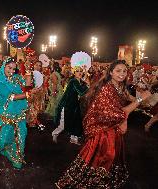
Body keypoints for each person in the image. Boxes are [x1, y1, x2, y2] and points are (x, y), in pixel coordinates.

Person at [55, 60, 151, 188]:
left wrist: (142, 98)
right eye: (118, 71)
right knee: (106, 156)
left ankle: (105, 179)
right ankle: (94, 181)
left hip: (114, 127)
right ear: (111, 73)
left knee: (114, 156)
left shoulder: (120, 86)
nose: (122, 74)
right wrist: (140, 99)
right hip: (103, 130)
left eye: (124, 71)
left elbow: (129, 99)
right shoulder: (107, 89)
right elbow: (121, 112)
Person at [52, 66, 89, 144]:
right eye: (77, 71)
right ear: (74, 73)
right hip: (67, 105)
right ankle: (55, 133)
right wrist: (87, 85)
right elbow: (82, 92)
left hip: (74, 105)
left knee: (76, 122)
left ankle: (73, 139)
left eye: (81, 71)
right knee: (64, 123)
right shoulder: (73, 81)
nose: (79, 72)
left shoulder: (79, 81)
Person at [26, 61, 45, 128]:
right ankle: (31, 122)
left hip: (38, 93)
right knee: (31, 107)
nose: (38, 66)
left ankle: (32, 120)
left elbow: (42, 85)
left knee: (35, 108)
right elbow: (27, 85)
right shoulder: (30, 73)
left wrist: (41, 91)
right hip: (32, 92)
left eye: (39, 65)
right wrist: (30, 92)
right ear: (34, 65)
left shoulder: (41, 74)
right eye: (36, 65)